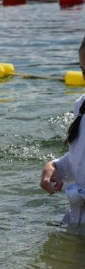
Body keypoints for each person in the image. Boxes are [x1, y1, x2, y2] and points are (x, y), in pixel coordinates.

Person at [40, 36, 85, 225]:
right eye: (84, 70)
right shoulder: (81, 105)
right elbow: (79, 159)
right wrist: (56, 167)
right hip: (77, 218)